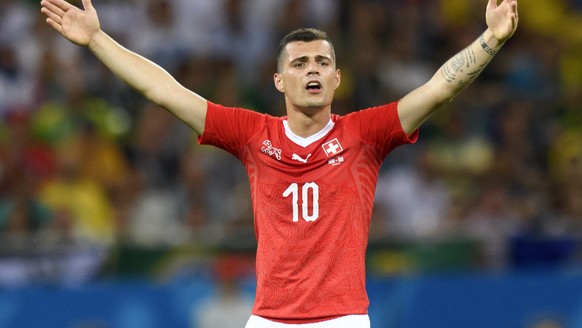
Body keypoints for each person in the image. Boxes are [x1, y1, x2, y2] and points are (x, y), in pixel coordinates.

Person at [40, 0, 519, 326]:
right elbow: (164, 91)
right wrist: (99, 40)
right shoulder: (252, 135)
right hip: (269, 319)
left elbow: (439, 88)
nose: (311, 69)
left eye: (320, 62)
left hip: (344, 319)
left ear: (336, 78)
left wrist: (492, 39)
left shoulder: (365, 134)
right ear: (278, 80)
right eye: (299, 62)